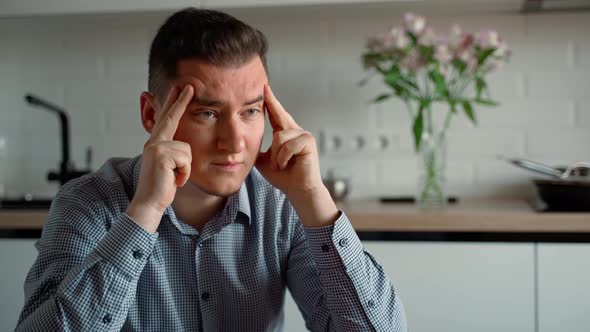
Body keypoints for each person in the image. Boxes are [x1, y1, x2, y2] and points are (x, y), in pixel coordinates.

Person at [16, 8, 407, 332]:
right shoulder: (88, 203)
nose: (235, 141)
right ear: (152, 115)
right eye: (207, 113)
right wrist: (145, 213)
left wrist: (314, 199)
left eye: (251, 111)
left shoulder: (283, 205)